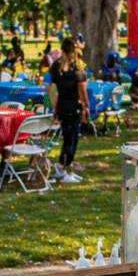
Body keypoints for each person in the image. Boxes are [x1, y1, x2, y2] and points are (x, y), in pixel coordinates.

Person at [50, 36, 89, 184]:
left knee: (68, 139)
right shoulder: (76, 67)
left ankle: (67, 169)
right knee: (72, 140)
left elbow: (52, 89)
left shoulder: (56, 66)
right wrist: (86, 106)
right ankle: (64, 169)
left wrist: (54, 109)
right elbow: (82, 90)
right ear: (75, 50)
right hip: (74, 106)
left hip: (62, 106)